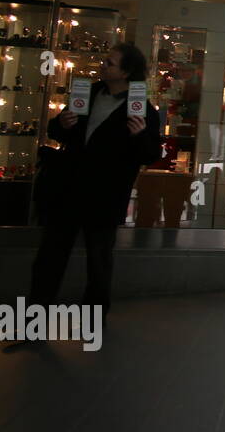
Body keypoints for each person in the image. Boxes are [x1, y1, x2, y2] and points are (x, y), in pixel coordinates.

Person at [22, 44, 161, 332]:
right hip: (69, 188)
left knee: (98, 258)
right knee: (50, 255)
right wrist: (61, 123)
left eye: (110, 63)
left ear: (126, 72)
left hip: (105, 193)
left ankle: (94, 318)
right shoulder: (86, 93)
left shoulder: (141, 108)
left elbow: (149, 153)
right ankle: (34, 316)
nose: (103, 65)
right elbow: (57, 131)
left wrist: (137, 136)